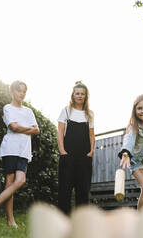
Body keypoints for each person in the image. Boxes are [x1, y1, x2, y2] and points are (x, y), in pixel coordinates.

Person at [0, 80, 40, 227]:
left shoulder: (29, 111)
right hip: (11, 148)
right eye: (19, 90)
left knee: (20, 180)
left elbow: (37, 130)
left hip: (24, 151)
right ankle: (10, 220)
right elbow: (13, 127)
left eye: (24, 91)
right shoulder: (8, 108)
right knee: (9, 183)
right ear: (11, 92)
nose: (22, 94)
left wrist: (21, 127)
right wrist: (27, 129)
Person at [57, 81, 95, 215]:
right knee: (65, 189)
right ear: (73, 95)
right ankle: (63, 220)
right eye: (77, 93)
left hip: (84, 156)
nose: (80, 96)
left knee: (83, 190)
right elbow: (60, 132)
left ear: (86, 96)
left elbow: (91, 135)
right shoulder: (66, 111)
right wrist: (62, 151)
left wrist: (91, 151)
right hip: (68, 155)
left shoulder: (89, 114)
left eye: (82, 94)